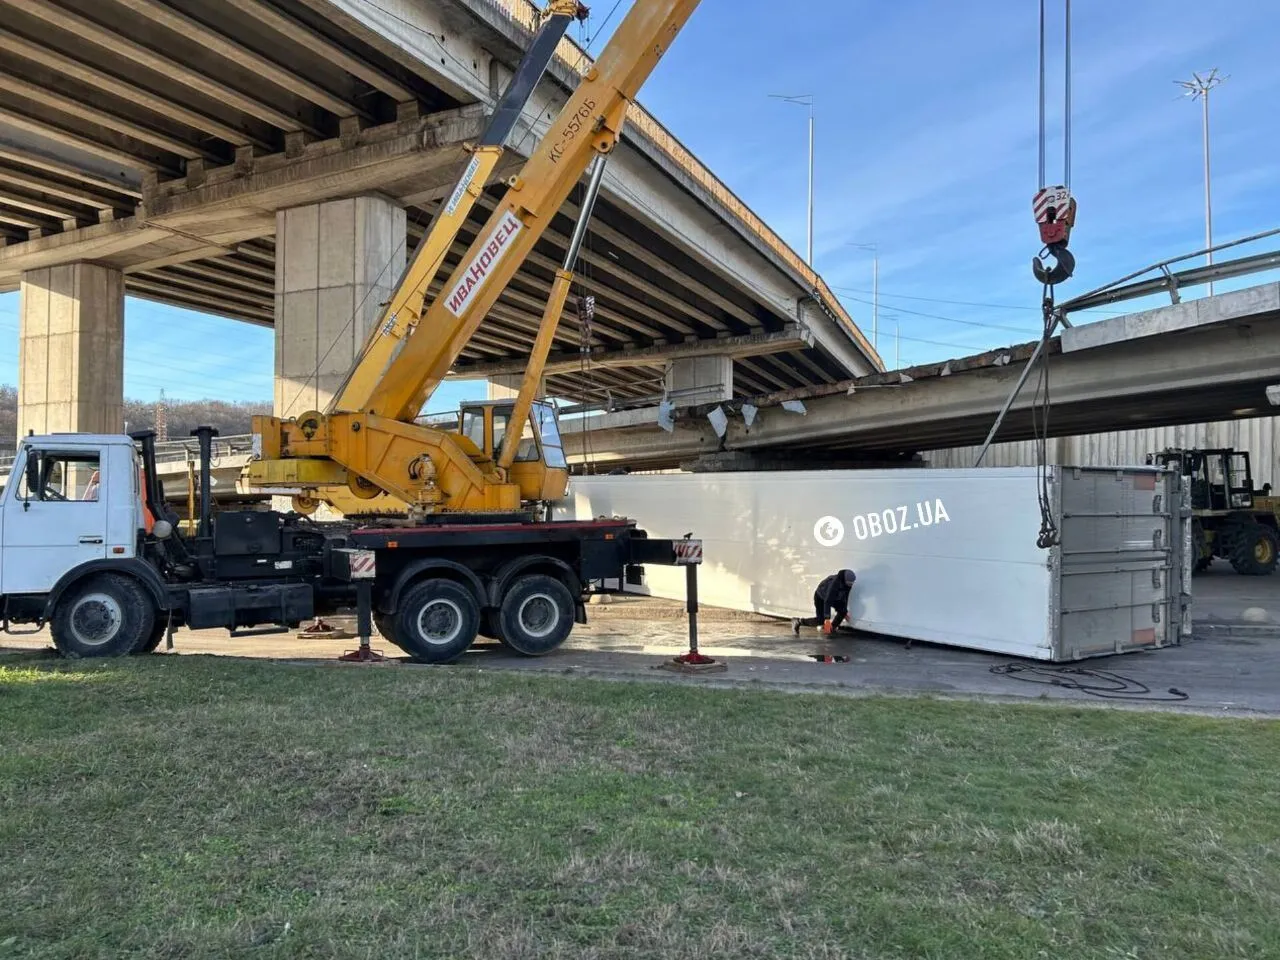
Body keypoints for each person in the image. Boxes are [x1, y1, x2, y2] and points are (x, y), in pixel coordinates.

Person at [792, 569, 856, 635]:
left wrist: (844, 610)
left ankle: (831, 628)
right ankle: (798, 621)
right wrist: (827, 619)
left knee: (843, 612)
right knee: (821, 620)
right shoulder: (834, 584)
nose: (850, 585)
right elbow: (827, 601)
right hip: (820, 597)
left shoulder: (847, 584)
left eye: (852, 583)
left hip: (834, 598)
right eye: (849, 583)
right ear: (844, 580)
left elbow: (845, 597)